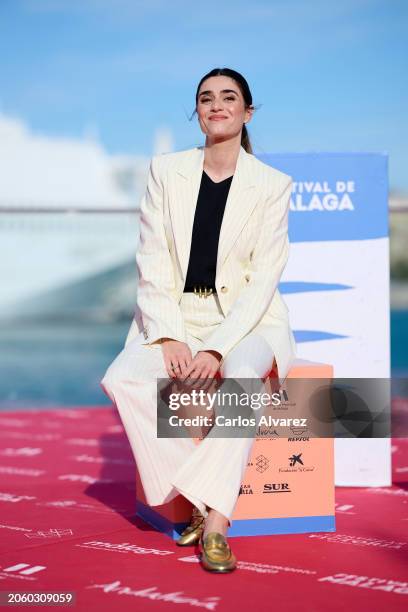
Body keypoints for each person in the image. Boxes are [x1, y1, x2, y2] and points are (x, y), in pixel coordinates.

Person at [100, 67, 296, 573]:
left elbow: (263, 280)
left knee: (244, 380)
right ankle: (195, 495)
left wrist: (216, 348)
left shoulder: (273, 185)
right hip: (177, 313)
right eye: (206, 98)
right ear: (198, 112)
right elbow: (152, 258)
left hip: (249, 321)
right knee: (123, 378)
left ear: (247, 111)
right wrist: (168, 333)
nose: (217, 104)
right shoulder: (166, 171)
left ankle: (215, 524)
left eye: (228, 97)